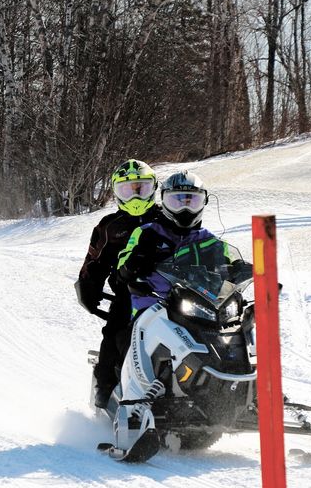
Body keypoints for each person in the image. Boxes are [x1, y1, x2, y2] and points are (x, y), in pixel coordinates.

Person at [75, 159, 161, 409]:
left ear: (153, 189)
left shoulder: (166, 218)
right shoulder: (109, 227)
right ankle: (105, 387)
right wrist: (88, 289)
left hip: (169, 291)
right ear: (116, 192)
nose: (135, 195)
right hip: (129, 293)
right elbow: (94, 261)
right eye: (128, 189)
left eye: (141, 188)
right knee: (114, 332)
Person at [117, 170, 221, 319]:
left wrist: (239, 271)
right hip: (152, 310)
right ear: (164, 201)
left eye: (193, 202)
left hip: (199, 312)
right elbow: (122, 269)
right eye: (175, 202)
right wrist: (134, 261)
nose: (185, 209)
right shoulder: (146, 232)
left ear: (204, 202)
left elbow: (228, 273)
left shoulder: (210, 240)